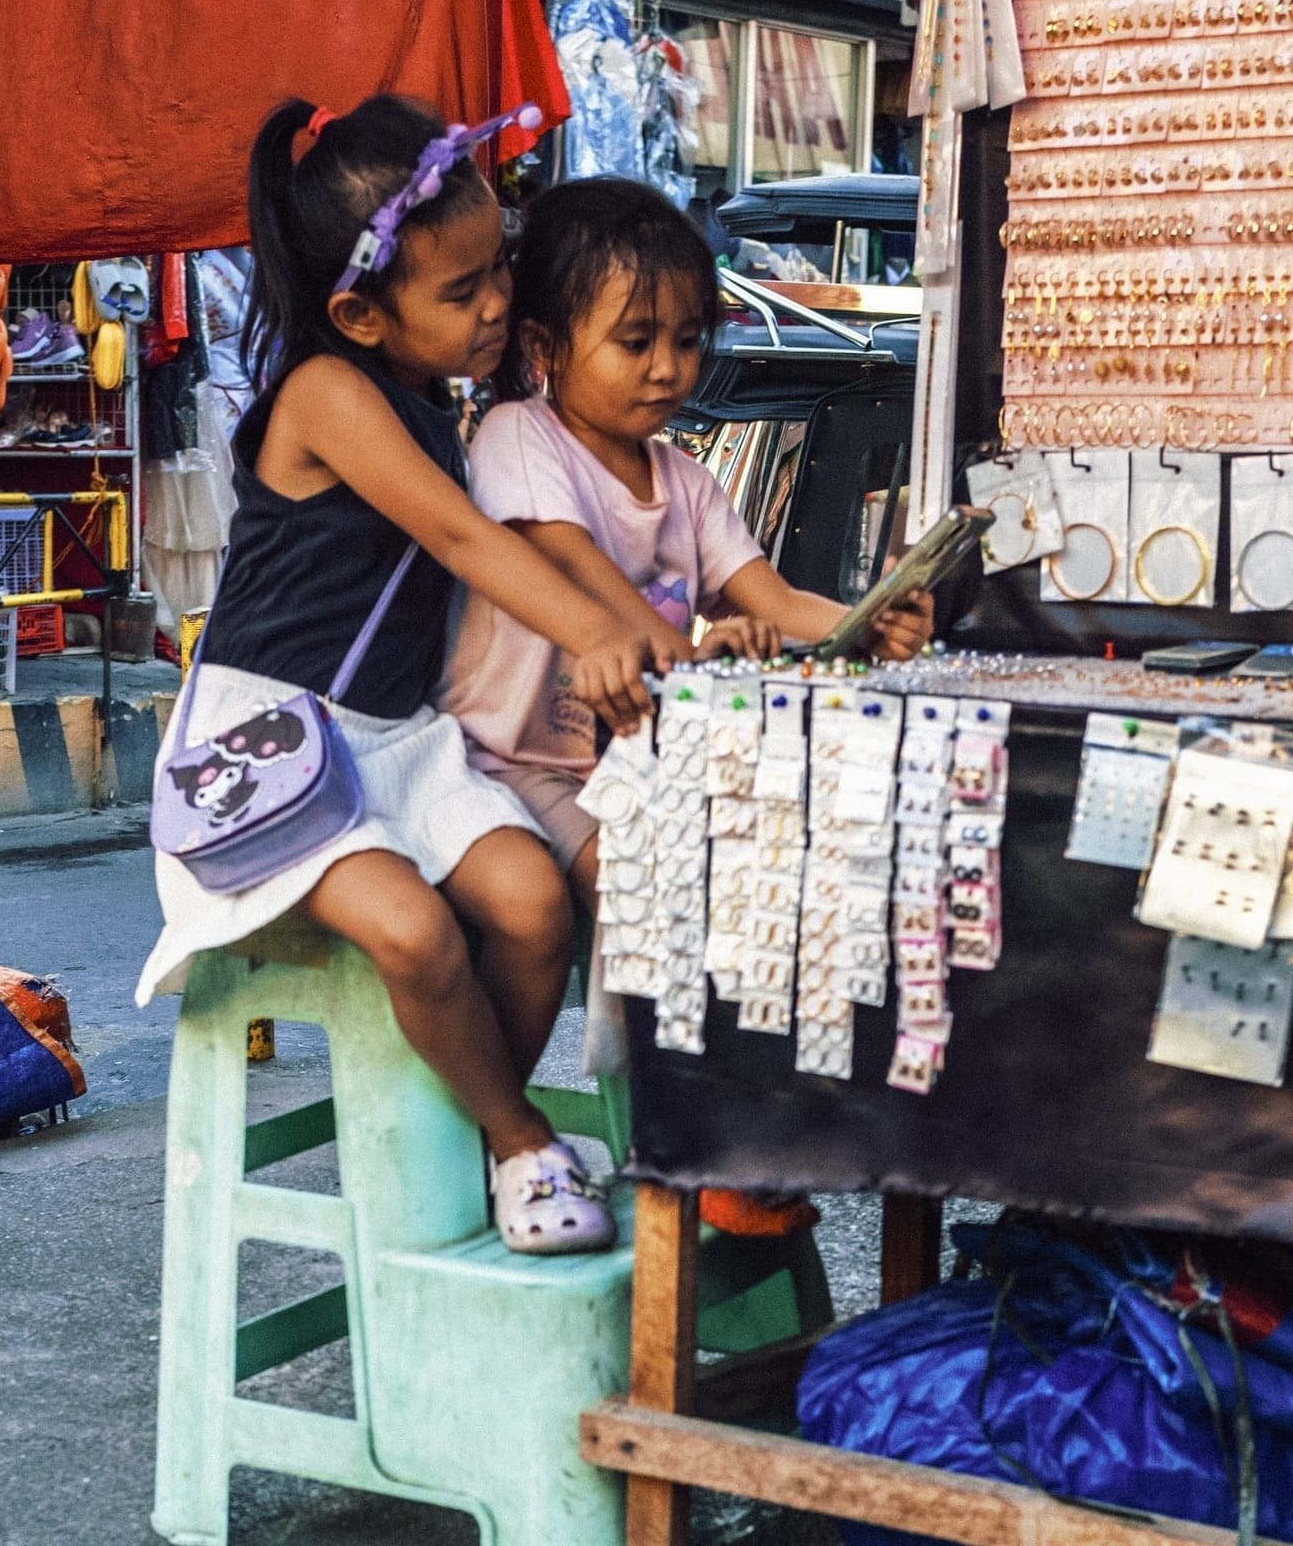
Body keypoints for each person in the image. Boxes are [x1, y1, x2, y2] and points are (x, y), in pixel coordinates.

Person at [137, 97, 672, 1256]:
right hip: (269, 744)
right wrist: (592, 638)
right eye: (462, 292)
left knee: (536, 909)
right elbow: (472, 544)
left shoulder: (443, 397)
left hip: (397, 740)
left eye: (499, 273)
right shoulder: (328, 396)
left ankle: (459, 1138)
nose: (496, 308)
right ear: (358, 314)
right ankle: (524, 1140)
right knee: (418, 936)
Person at [440, 175, 934, 915]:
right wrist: (688, 659)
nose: (667, 368)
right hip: (508, 762)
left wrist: (869, 629)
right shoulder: (520, 434)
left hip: (632, 757)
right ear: (545, 345)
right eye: (635, 343)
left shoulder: (688, 481)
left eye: (687, 341)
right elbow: (565, 558)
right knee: (627, 876)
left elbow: (775, 600)